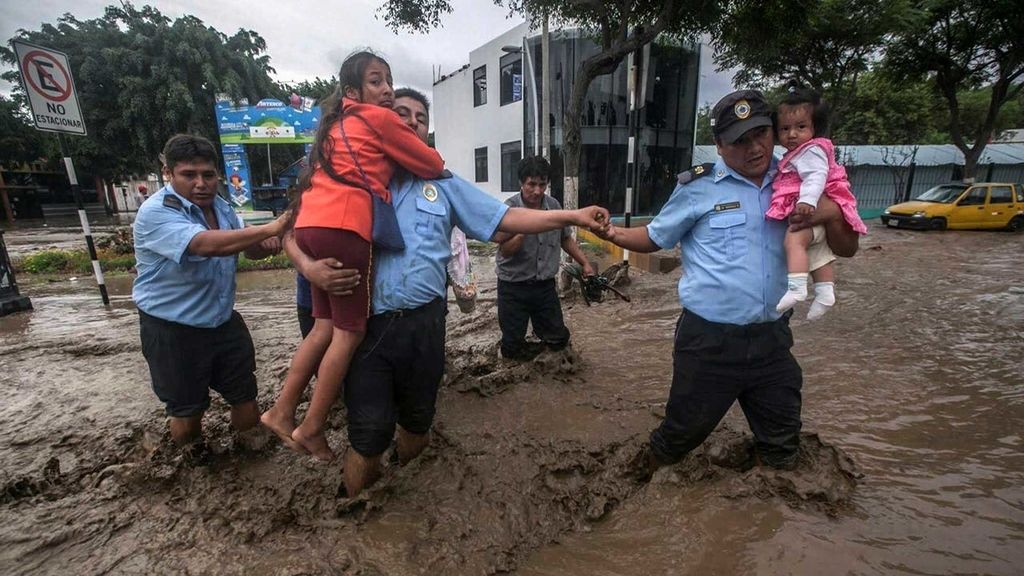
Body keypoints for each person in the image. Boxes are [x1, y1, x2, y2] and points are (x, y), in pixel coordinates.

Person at [286, 88, 609, 497]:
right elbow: (293, 231)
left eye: (419, 117)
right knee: (368, 435)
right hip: (365, 329)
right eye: (399, 113)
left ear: (426, 130)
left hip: (425, 325)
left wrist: (573, 215)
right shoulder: (346, 173)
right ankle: (357, 512)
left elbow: (504, 218)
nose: (409, 121)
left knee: (418, 422)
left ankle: (414, 502)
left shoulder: (443, 183)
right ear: (379, 121)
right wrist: (310, 268)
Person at [594, 89, 859, 473]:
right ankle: (630, 479)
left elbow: (847, 248)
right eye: (739, 141)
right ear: (719, 146)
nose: (754, 148)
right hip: (709, 344)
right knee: (678, 439)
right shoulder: (696, 187)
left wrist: (831, 211)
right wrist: (613, 235)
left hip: (772, 341)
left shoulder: (799, 179)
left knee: (783, 445)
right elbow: (655, 236)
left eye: (761, 135)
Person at [264, 51, 445, 461]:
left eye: (389, 81)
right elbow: (431, 162)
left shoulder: (331, 132)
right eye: (377, 82)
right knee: (350, 334)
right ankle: (310, 428)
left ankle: (281, 409)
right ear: (353, 92)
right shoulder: (379, 120)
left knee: (323, 328)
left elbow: (293, 221)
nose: (386, 90)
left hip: (312, 228)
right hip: (345, 229)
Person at [132, 134, 287, 449]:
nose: (200, 183)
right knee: (188, 414)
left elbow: (247, 249)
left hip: (222, 321)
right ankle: (191, 466)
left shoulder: (223, 206)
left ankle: (250, 458)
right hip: (173, 330)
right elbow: (204, 245)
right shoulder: (156, 212)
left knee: (246, 399)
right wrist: (272, 227)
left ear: (218, 174)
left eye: (208, 174)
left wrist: (269, 244)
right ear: (169, 174)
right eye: (189, 175)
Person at [766, 88, 867, 319]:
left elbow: (816, 176)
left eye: (800, 127)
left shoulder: (810, 151)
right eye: (784, 129)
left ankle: (797, 289)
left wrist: (811, 203)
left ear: (814, 128)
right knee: (819, 254)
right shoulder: (795, 155)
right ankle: (824, 292)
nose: (792, 134)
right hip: (811, 213)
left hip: (807, 209)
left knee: (794, 242)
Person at [493, 156, 595, 360]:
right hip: (513, 286)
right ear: (522, 183)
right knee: (512, 348)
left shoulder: (554, 206)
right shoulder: (508, 210)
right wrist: (523, 228)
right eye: (532, 184)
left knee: (558, 340)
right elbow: (504, 251)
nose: (537, 191)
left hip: (544, 286)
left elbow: (565, 239)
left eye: (542, 184)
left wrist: (585, 264)